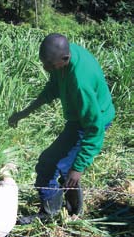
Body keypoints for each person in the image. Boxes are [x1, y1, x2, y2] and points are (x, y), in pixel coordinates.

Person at [8, 33, 115, 224]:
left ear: (65, 58)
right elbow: (52, 89)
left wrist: (79, 167)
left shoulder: (80, 82)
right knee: (64, 166)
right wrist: (24, 113)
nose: (46, 69)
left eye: (49, 65)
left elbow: (94, 128)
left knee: (49, 164)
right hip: (79, 117)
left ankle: (50, 213)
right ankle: (72, 207)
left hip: (92, 120)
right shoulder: (61, 57)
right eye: (44, 64)